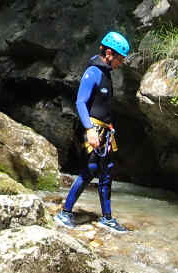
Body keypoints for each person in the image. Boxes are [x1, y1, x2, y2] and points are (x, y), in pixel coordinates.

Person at [54, 30, 130, 232]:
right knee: (91, 171)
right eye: (120, 58)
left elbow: (102, 106)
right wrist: (90, 130)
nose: (121, 63)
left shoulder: (106, 74)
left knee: (107, 172)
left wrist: (109, 126)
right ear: (109, 53)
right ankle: (65, 213)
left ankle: (107, 218)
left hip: (104, 131)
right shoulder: (93, 72)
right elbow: (80, 102)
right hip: (93, 130)